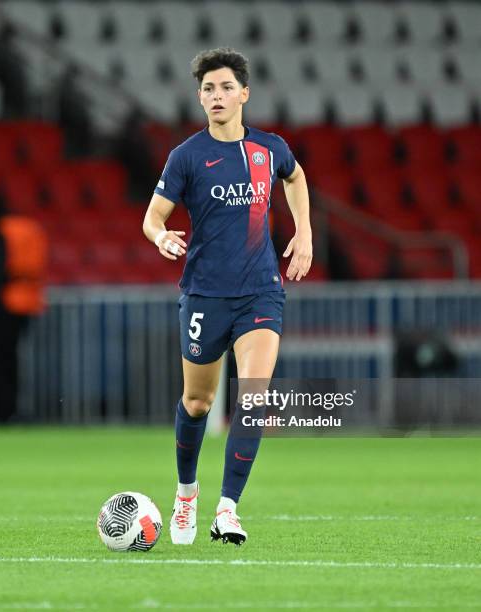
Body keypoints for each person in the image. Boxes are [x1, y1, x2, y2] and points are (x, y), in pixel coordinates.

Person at [143, 48, 312, 545]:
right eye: (207, 89)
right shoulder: (187, 156)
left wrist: (304, 232)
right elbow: (152, 216)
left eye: (224, 88)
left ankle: (227, 510)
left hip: (260, 292)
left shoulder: (269, 148)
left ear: (244, 94)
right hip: (204, 295)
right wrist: (160, 237)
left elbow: (296, 176)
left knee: (253, 397)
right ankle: (186, 495)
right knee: (198, 401)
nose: (216, 96)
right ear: (200, 98)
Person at [0, 193, 48, 423]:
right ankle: (11, 409)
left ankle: (4, 409)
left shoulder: (5, 230)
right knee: (11, 357)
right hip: (29, 299)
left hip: (6, 302)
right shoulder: (31, 228)